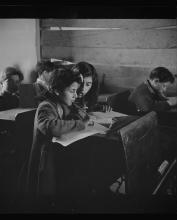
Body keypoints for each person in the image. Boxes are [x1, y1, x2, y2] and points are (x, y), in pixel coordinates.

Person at [26, 67, 125, 207]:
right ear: (56, 90)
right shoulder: (46, 106)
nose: (75, 95)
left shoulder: (65, 103)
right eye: (71, 91)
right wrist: (79, 124)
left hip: (61, 153)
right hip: (46, 160)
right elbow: (50, 126)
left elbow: (82, 114)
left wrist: (81, 114)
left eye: (76, 91)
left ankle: (92, 192)